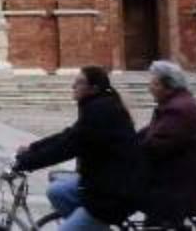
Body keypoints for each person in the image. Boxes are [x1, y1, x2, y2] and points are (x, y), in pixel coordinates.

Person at [14, 66, 143, 231]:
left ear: (93, 89)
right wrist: (32, 148)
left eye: (79, 82)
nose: (73, 86)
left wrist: (26, 163)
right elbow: (68, 136)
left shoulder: (101, 112)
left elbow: (66, 148)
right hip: (99, 183)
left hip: (112, 195)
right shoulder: (96, 106)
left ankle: (92, 223)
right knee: (57, 191)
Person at [138, 60, 196, 224]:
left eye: (154, 84)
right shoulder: (177, 103)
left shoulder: (177, 110)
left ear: (168, 86)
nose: (149, 88)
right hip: (182, 179)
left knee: (129, 194)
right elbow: (151, 131)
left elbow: (155, 146)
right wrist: (128, 140)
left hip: (184, 187)